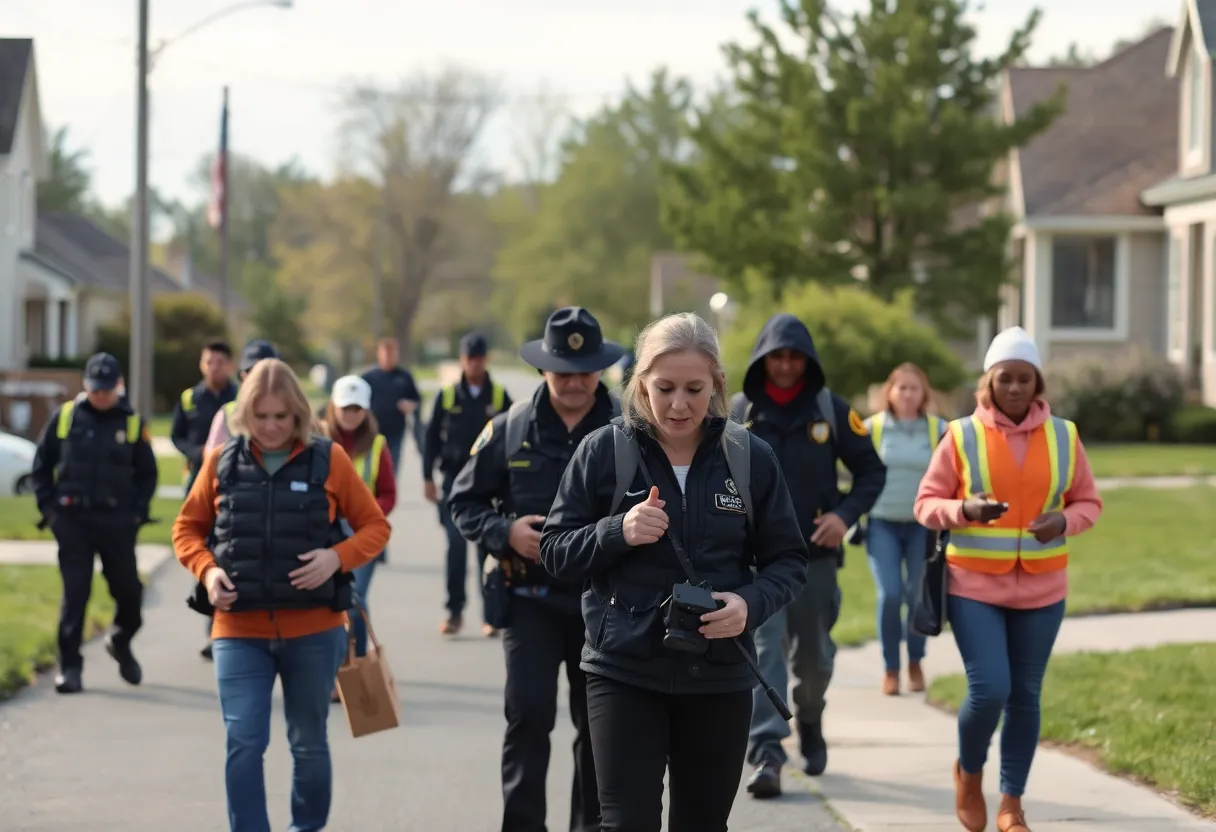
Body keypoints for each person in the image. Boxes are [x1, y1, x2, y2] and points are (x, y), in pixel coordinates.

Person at [539, 312, 809, 832]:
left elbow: (789, 560)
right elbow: (554, 550)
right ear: (641, 383)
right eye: (664, 388)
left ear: (717, 385)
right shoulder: (604, 450)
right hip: (623, 672)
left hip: (719, 676)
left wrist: (749, 604)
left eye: (694, 389)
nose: (679, 404)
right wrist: (617, 530)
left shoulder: (749, 457)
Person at [172, 358, 391, 832]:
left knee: (308, 742)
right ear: (244, 414)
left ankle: (305, 826)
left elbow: (375, 527)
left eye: (281, 416)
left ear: (298, 414)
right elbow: (186, 528)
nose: (270, 427)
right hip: (237, 630)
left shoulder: (329, 459)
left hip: (314, 631)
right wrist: (208, 572)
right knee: (244, 741)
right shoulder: (221, 461)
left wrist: (336, 557)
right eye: (260, 416)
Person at [914, 326, 1101, 832]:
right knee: (990, 688)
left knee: (1025, 695)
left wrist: (1064, 521)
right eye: (1005, 379)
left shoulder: (1064, 435)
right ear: (989, 383)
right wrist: (964, 509)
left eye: (1024, 378)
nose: (1015, 387)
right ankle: (969, 772)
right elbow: (925, 504)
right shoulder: (961, 435)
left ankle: (1011, 803)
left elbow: (1089, 501)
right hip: (974, 585)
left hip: (1043, 588)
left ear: (1037, 382)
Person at [447, 307, 621, 832]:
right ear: (544, 368)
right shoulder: (509, 428)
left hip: (604, 605)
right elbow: (464, 502)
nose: (574, 381)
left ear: (599, 369)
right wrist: (505, 533)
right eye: (563, 370)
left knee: (599, 732)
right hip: (529, 602)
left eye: (584, 370)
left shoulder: (628, 432)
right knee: (527, 719)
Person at [732, 313, 886, 797]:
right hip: (756, 561)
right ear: (762, 359)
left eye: (794, 357)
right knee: (765, 649)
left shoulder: (831, 410)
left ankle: (811, 720)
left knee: (815, 658)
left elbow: (871, 472)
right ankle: (767, 751)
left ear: (808, 361)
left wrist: (844, 516)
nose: (784, 365)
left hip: (813, 557)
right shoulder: (738, 411)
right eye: (776, 356)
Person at [30, 352, 158, 694]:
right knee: (76, 594)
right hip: (72, 520)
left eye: (107, 389)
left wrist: (137, 514)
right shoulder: (66, 417)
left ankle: (121, 639)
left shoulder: (132, 422)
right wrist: (50, 511)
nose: (101, 395)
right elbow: (41, 467)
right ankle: (70, 668)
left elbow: (147, 474)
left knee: (129, 592)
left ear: (119, 386)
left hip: (117, 522)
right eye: (95, 388)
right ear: (86, 385)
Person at [862, 362, 948, 696]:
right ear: (890, 392)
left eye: (914, 388)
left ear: (924, 393)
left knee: (915, 595)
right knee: (890, 594)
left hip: (921, 527)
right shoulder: (872, 428)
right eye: (902, 387)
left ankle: (914, 661)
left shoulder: (939, 429)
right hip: (882, 523)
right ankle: (890, 668)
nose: (908, 394)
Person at [197, 337, 281, 661]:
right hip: (233, 513)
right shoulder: (229, 413)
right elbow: (210, 464)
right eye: (251, 372)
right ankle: (218, 631)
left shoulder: (295, 415)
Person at [423, 332, 512, 636]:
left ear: (485, 359)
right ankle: (454, 612)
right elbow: (431, 438)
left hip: (490, 486)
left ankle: (490, 616)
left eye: (478, 358)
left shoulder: (498, 396)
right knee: (456, 546)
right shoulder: (447, 396)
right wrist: (427, 477)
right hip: (454, 484)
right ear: (462, 360)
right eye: (469, 359)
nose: (474, 364)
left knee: (488, 550)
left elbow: (515, 437)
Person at [317, 374, 397, 659]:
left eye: (357, 409)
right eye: (345, 408)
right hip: (323, 532)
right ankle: (334, 662)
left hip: (361, 532)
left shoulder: (377, 444)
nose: (351, 415)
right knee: (326, 601)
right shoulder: (317, 440)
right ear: (333, 406)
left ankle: (357, 663)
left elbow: (388, 493)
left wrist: (366, 513)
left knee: (354, 597)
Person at [171, 340, 237, 494]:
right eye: (209, 362)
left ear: (230, 365)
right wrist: (197, 452)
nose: (214, 367)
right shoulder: (189, 397)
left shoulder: (240, 397)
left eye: (220, 362)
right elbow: (177, 436)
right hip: (197, 472)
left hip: (232, 472)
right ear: (201, 365)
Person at [361, 336, 422, 476]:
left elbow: (416, 399)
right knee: (370, 470)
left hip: (396, 432)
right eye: (386, 353)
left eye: (392, 353)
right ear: (379, 354)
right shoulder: (369, 377)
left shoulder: (404, 376)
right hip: (371, 432)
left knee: (391, 470)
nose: (389, 357)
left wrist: (411, 405)